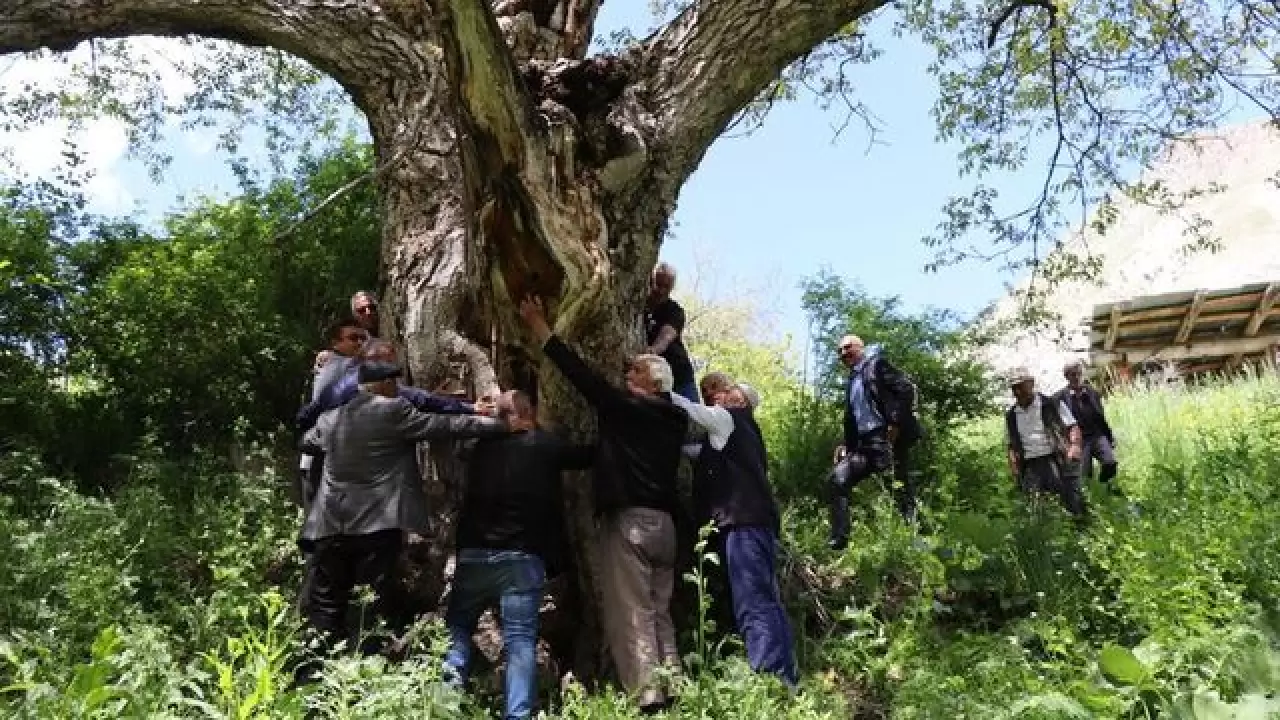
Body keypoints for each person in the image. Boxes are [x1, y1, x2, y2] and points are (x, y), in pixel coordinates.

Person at [518, 295, 689, 713]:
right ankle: (676, 686)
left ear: (654, 385)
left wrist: (541, 329)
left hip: (631, 523)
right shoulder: (674, 420)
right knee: (660, 612)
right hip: (666, 528)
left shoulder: (627, 408)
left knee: (632, 611)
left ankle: (648, 697)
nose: (627, 374)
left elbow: (582, 377)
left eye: (636, 371)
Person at [296, 360, 510, 681]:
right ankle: (366, 678)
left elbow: (306, 441)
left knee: (326, 605)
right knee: (371, 606)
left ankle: (312, 679)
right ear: (383, 385)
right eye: (394, 384)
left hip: (330, 525)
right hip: (376, 527)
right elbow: (445, 426)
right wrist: (500, 426)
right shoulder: (393, 411)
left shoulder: (332, 418)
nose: (397, 389)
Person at [443, 391, 594, 720]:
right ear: (530, 413)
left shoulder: (478, 450)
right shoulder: (543, 445)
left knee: (458, 628)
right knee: (520, 641)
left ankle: (445, 704)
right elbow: (587, 455)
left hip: (474, 554)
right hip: (521, 557)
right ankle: (517, 714)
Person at [673, 378, 797, 687]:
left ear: (740, 401)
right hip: (759, 524)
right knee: (767, 600)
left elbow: (690, 410)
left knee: (752, 602)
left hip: (743, 525)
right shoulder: (745, 433)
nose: (717, 395)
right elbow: (698, 451)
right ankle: (786, 674)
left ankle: (770, 676)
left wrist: (661, 390)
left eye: (727, 392)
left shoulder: (728, 418)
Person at [828, 335, 922, 550]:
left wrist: (895, 424)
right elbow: (854, 418)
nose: (843, 353)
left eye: (847, 348)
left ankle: (916, 540)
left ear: (860, 347)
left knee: (898, 488)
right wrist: (846, 446)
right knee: (837, 479)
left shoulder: (876, 366)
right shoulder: (852, 381)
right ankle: (840, 538)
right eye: (840, 351)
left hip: (886, 438)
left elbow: (906, 389)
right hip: (864, 445)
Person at [297, 339, 487, 434]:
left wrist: (469, 408)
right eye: (382, 362)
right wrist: (471, 409)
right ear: (366, 361)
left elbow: (423, 400)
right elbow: (423, 401)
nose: (388, 370)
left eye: (390, 362)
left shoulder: (342, 387)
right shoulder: (344, 389)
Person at [297, 319, 369, 510]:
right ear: (336, 343)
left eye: (363, 338)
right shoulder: (342, 367)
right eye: (353, 338)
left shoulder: (339, 364)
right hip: (324, 456)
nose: (360, 343)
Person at [1005, 367, 1086, 516]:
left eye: (1021, 386)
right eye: (1014, 388)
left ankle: (1080, 526)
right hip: (1030, 465)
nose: (1017, 392)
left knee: (1071, 503)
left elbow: (1072, 426)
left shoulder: (1052, 404)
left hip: (1056, 459)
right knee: (1035, 508)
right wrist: (1014, 468)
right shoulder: (1011, 415)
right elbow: (1011, 445)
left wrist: (1074, 446)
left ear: (1031, 383)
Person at [1055, 362, 1119, 487]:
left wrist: (1109, 437)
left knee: (1110, 462)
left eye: (1079, 373)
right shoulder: (1059, 397)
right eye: (1073, 374)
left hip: (1097, 435)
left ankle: (1104, 485)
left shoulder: (1092, 392)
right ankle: (1092, 493)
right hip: (1079, 440)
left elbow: (1100, 417)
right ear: (1066, 377)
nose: (1077, 377)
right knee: (1085, 473)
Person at [644, 263, 698, 402]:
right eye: (658, 284)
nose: (661, 290)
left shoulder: (674, 310)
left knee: (690, 413)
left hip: (680, 376)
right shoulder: (639, 306)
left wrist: (653, 350)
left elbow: (666, 336)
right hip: (653, 378)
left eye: (666, 287)